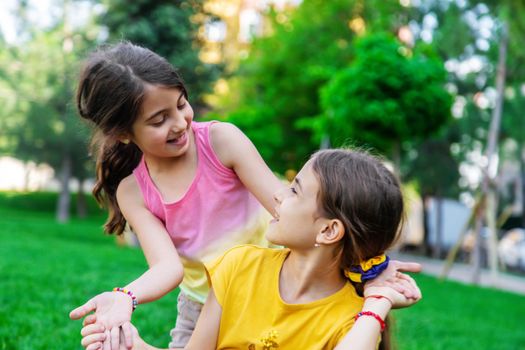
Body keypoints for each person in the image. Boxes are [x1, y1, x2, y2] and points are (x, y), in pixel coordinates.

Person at [79, 148, 423, 350]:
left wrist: (377, 304)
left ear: (329, 230)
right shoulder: (239, 266)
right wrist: (133, 345)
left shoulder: (354, 319)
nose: (278, 194)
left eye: (295, 191)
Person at [68, 41, 285, 349]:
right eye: (159, 120)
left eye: (181, 104)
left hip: (273, 285)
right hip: (201, 304)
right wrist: (125, 296)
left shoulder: (221, 141)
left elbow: (285, 207)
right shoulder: (135, 193)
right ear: (123, 133)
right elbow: (168, 268)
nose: (181, 123)